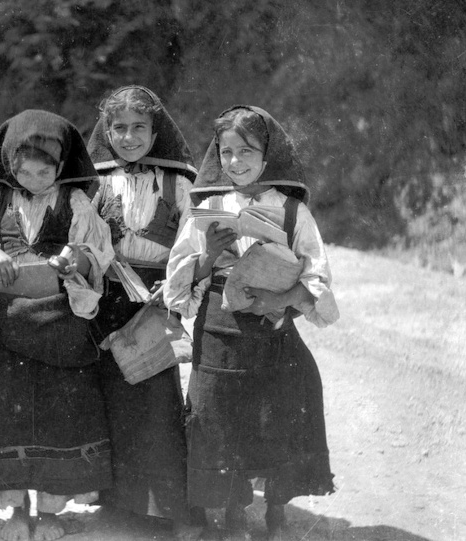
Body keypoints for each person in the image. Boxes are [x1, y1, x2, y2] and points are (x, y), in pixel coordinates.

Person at [164, 105, 339, 540]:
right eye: (226, 152)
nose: (236, 162)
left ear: (269, 155)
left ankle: (276, 516)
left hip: (273, 328)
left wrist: (280, 297)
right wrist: (207, 256)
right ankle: (234, 518)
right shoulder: (207, 206)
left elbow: (317, 278)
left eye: (247, 151)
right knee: (218, 420)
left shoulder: (293, 211)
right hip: (219, 330)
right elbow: (179, 282)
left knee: (273, 418)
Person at [0, 109, 114, 541]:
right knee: (5, 413)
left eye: (44, 170)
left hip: (58, 324)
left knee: (57, 413)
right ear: (10, 168)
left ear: (61, 166)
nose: (33, 178)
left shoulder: (75, 202)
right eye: (23, 171)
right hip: (6, 325)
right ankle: (16, 509)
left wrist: (76, 258)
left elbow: (98, 250)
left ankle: (48, 508)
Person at [86, 86, 201, 539]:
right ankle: (118, 502)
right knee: (110, 395)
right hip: (105, 299)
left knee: (157, 402)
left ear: (157, 132)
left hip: (155, 300)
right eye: (119, 128)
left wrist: (172, 288)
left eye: (139, 128)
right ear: (106, 131)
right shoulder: (95, 182)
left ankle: (169, 508)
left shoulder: (179, 183)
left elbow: (194, 245)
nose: (129, 137)